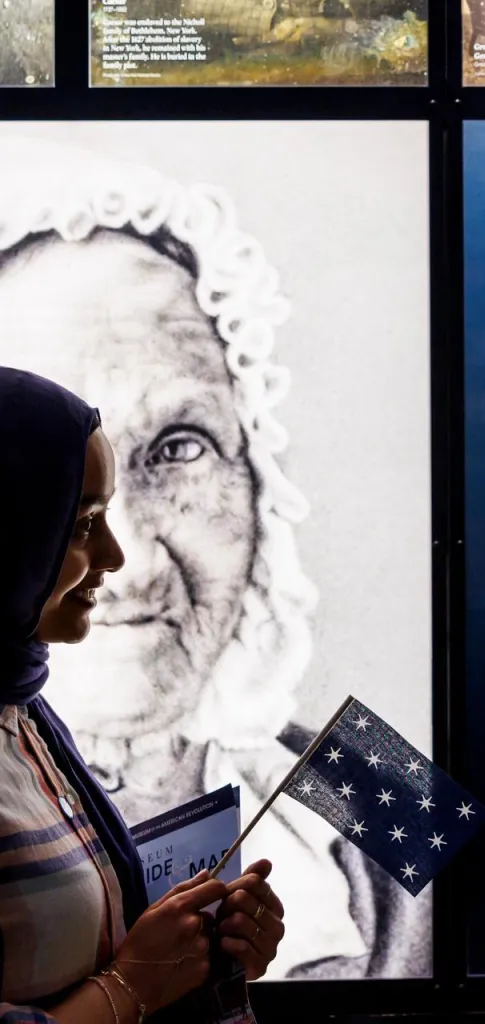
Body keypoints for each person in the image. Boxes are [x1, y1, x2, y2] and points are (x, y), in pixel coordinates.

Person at [0, 136, 431, 980]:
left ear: (257, 478)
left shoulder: (370, 779)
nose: (137, 559)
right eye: (67, 498)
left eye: (182, 448)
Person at [0, 365, 285, 1021]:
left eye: (181, 447)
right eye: (82, 524)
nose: (117, 556)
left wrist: (191, 948)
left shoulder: (27, 718)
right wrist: (135, 985)